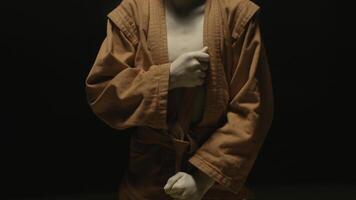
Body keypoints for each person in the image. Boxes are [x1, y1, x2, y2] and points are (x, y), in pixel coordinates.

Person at [85, 0, 274, 199]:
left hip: (217, 183)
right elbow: (103, 93)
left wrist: (201, 180)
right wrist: (168, 78)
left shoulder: (236, 13)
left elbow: (251, 110)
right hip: (149, 177)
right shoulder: (133, 12)